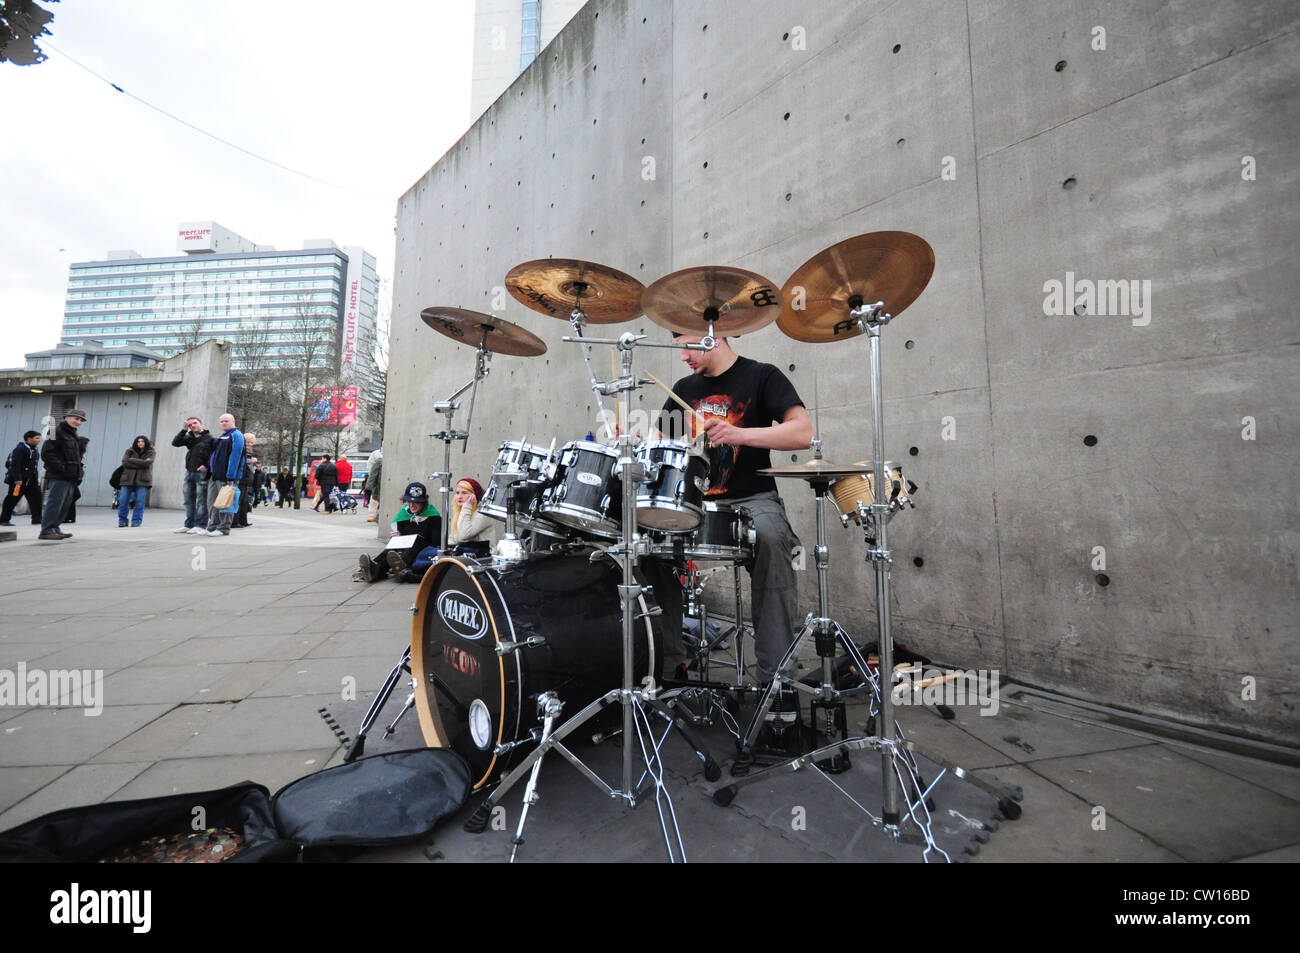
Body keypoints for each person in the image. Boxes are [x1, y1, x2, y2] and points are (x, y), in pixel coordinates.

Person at [653, 334, 813, 684]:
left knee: (772, 539)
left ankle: (777, 683)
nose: (682, 356)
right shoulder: (683, 387)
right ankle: (668, 668)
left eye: (688, 346)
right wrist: (634, 443)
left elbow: (802, 434)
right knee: (644, 550)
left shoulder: (762, 376)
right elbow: (661, 447)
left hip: (753, 499)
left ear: (714, 335)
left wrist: (739, 435)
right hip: (693, 501)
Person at [357, 481, 442, 583]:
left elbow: (435, 542)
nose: (412, 505)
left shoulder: (434, 517)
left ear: (424, 502)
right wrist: (397, 536)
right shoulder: (404, 514)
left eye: (417, 502)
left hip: (421, 551)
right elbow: (402, 533)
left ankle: (400, 567)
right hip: (404, 548)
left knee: (416, 541)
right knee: (392, 548)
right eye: (409, 501)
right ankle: (375, 568)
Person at [38, 408, 88, 541]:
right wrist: (62, 469)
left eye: (81, 420)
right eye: (76, 419)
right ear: (67, 417)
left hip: (71, 476)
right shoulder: (54, 431)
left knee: (65, 504)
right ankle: (47, 530)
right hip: (59, 475)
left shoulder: (72, 434)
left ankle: (54, 528)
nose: (78, 422)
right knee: (55, 502)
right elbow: (47, 453)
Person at [171, 416, 216, 534]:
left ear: (201, 423)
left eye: (195, 423)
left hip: (202, 473)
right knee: (188, 499)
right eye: (190, 425)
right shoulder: (189, 438)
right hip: (189, 472)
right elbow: (175, 443)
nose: (193, 426)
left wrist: (207, 465)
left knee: (201, 500)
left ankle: (200, 524)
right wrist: (184, 430)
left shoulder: (210, 438)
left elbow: (214, 455)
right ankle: (189, 524)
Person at [204, 413, 246, 537]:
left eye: (226, 421)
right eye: (221, 421)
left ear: (233, 421)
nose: (223, 423)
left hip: (226, 477)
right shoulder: (224, 436)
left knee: (226, 503)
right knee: (212, 502)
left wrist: (230, 476)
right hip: (215, 475)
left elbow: (235, 457)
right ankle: (212, 526)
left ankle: (223, 528)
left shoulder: (236, 435)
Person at [0, 430, 42, 528]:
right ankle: (4, 519)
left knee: (37, 499)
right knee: (12, 499)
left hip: (31, 481)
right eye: (37, 438)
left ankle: (37, 519)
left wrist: (35, 479)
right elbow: (15, 465)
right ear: (29, 439)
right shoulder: (20, 449)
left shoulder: (34, 449)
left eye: (39, 438)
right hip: (19, 482)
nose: (39, 440)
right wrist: (17, 479)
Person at [446, 478, 493, 556]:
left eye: (464, 493)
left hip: (482, 557)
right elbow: (452, 539)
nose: (459, 496)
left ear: (474, 496)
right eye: (457, 493)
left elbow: (463, 535)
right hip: (464, 554)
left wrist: (467, 506)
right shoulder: (460, 512)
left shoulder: (482, 514)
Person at [117, 435, 156, 527]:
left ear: (146, 443)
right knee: (123, 500)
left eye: (142, 441)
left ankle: (136, 521)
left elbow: (147, 464)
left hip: (143, 480)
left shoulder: (151, 452)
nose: (140, 443)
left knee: (139, 501)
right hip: (127, 480)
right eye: (138, 441)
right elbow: (125, 463)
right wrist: (141, 462)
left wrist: (132, 460)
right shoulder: (129, 451)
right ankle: (122, 521)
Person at [364, 449, 382, 522]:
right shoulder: (376, 454)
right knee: (374, 498)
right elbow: (371, 467)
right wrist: (369, 485)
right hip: (377, 481)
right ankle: (372, 514)